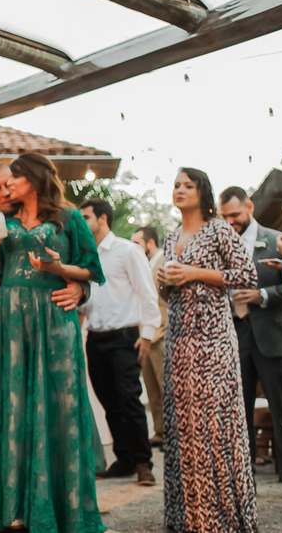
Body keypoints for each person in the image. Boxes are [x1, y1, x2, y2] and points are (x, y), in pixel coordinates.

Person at [0, 152, 105, 533]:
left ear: (35, 177)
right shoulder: (3, 221)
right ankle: (14, 506)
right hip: (10, 319)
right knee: (12, 406)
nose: (8, 184)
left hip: (52, 315)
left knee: (56, 405)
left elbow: (91, 270)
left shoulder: (69, 217)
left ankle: (56, 507)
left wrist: (58, 269)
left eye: (15, 177)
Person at [157, 168, 258, 533]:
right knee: (183, 425)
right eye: (176, 185)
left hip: (213, 337)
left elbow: (247, 275)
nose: (180, 190)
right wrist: (165, 282)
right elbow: (173, 290)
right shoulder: (171, 237)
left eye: (188, 185)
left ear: (203, 192)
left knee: (213, 425)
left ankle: (221, 517)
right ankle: (188, 516)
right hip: (179, 337)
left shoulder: (218, 230)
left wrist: (194, 272)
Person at [0, 166, 87, 357]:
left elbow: (84, 266)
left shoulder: (53, 227)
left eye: (8, 185)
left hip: (43, 329)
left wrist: (81, 289)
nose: (5, 193)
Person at [218, 186, 282, 490]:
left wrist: (262, 294)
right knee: (238, 411)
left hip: (273, 336)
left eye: (235, 215)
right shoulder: (219, 246)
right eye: (224, 217)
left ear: (250, 207)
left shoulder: (280, 241)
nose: (230, 222)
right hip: (235, 336)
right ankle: (242, 479)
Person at [79, 199, 160, 487]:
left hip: (125, 336)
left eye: (86, 217)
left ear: (103, 219)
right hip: (95, 338)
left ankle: (143, 463)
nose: (81, 222)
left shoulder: (127, 250)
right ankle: (124, 459)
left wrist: (147, 334)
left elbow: (147, 292)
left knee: (129, 400)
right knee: (109, 402)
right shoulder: (83, 255)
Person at [130, 225, 167, 447]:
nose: (134, 248)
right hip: (144, 334)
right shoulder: (141, 265)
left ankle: (173, 435)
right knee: (152, 390)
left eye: (137, 243)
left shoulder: (163, 262)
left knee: (166, 389)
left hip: (162, 333)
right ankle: (160, 432)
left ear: (150, 243)